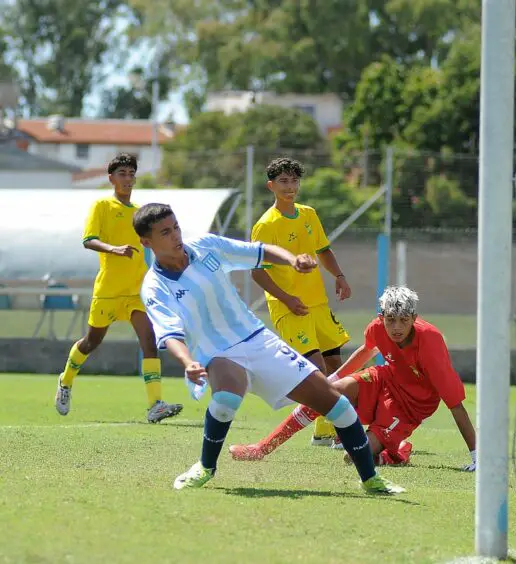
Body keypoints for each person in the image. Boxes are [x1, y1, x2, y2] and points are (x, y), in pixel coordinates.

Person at [134, 202, 403, 494]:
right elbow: (170, 333)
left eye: (175, 227)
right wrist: (188, 362)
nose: (175, 235)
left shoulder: (206, 247)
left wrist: (292, 259)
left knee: (337, 405)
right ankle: (205, 467)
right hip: (218, 353)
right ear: (146, 242)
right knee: (225, 400)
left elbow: (259, 251)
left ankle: (370, 479)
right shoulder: (154, 286)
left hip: (258, 339)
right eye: (165, 232)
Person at [229, 286, 478, 471]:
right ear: (382, 318)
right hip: (384, 380)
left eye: (404, 320)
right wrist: (334, 377)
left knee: (354, 457)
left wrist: (476, 455)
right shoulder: (377, 328)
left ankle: (396, 452)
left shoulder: (430, 343)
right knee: (326, 394)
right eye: (391, 320)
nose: (397, 327)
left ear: (415, 319)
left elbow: (455, 406)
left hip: (410, 406)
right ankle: (262, 448)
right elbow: (367, 351)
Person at [54, 153, 182, 423]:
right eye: (122, 174)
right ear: (111, 178)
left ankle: (155, 404)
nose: (128, 179)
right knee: (92, 342)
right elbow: (89, 239)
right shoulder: (102, 204)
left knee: (149, 341)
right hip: (109, 289)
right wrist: (113, 248)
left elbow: (152, 245)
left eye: (131, 174)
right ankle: (65, 381)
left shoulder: (140, 213)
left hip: (137, 289)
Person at [251, 157, 352, 447]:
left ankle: (323, 432)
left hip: (317, 304)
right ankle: (337, 431)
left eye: (294, 180)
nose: (290, 186)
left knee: (335, 365)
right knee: (317, 370)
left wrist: (340, 276)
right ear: (271, 185)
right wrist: (287, 299)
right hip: (289, 307)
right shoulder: (266, 225)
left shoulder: (308, 214)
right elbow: (257, 273)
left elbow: (324, 250)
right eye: (283, 181)